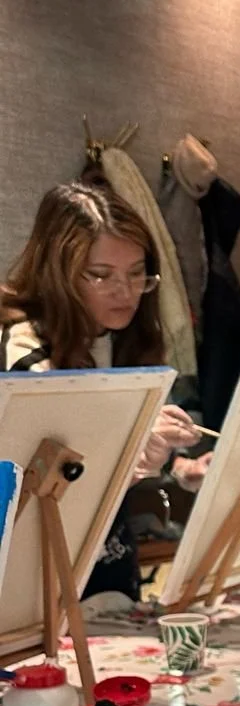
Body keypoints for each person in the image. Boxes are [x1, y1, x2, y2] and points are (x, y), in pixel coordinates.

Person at [1, 184, 207, 597]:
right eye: (101, 276)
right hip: (38, 578)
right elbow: (42, 492)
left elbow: (114, 444)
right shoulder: (24, 354)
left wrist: (176, 465)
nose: (126, 292)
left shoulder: (120, 336)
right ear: (57, 272)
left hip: (108, 564)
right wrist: (134, 454)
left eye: (137, 274)